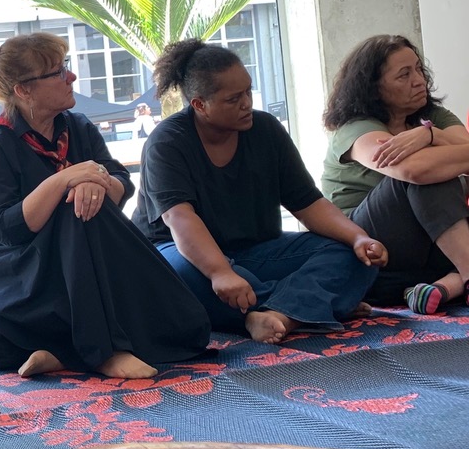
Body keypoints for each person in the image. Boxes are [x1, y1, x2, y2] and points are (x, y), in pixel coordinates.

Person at [0, 31, 210, 380]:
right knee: (72, 209)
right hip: (13, 266)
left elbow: (120, 184)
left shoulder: (78, 127)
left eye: (65, 67)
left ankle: (63, 353)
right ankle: (104, 352)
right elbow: (7, 229)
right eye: (57, 72)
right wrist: (63, 180)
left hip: (76, 257)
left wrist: (94, 182)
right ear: (24, 90)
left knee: (86, 209)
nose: (71, 77)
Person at [133, 38, 387, 344]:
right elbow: (179, 219)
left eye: (248, 91)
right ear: (200, 105)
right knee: (185, 277)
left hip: (254, 253)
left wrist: (358, 237)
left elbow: (308, 203)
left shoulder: (266, 130)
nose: (247, 103)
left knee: (352, 255)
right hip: (180, 253)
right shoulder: (167, 141)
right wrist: (219, 272)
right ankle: (315, 304)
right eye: (233, 99)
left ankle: (279, 315)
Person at [322, 34, 469, 313]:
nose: (419, 80)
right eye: (404, 75)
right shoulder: (355, 129)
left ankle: (443, 288)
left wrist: (430, 135)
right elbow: (415, 170)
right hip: (368, 251)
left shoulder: (432, 117)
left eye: (418, 69)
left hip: (426, 250)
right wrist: (440, 148)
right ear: (374, 88)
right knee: (428, 175)